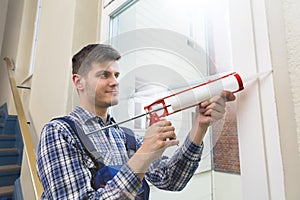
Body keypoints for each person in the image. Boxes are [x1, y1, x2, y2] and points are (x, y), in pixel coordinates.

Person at [36, 44, 236, 199]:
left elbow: (171, 180)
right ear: (78, 82)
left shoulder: (124, 137)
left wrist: (199, 127)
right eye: (104, 75)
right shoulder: (59, 133)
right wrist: (144, 154)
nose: (114, 82)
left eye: (116, 75)